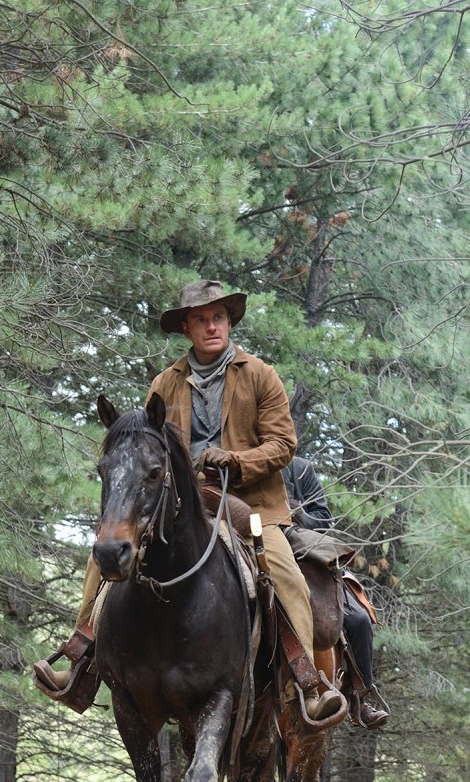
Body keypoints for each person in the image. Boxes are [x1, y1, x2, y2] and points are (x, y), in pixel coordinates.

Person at [34, 279, 342, 723]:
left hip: (248, 503)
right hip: (177, 502)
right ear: (186, 328)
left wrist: (234, 460)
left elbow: (283, 445)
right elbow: (144, 448)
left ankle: (307, 681)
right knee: (103, 558)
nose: (211, 326)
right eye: (201, 319)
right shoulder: (165, 383)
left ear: (229, 321)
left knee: (284, 572)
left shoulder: (260, 375)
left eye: (218, 317)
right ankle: (79, 659)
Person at [281, 456, 389, 729]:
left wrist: (299, 515)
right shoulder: (236, 459)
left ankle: (360, 697)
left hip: (304, 552)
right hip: (253, 544)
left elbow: (323, 518)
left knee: (358, 620)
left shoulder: (300, 468)